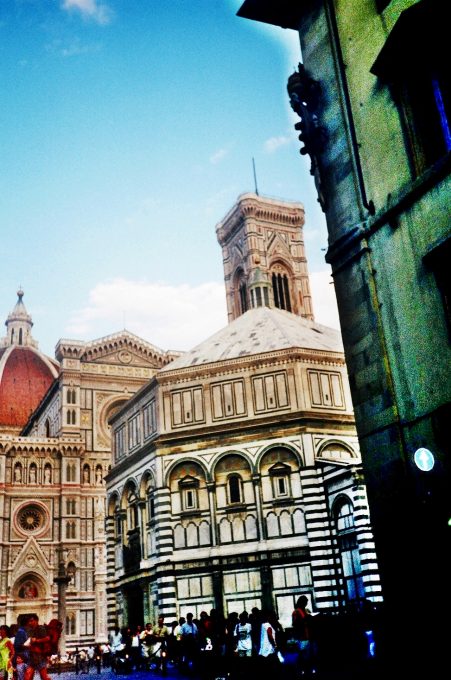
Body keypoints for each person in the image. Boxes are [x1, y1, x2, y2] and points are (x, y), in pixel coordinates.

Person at [292, 595, 316, 676]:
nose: (306, 603)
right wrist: (305, 620)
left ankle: (308, 669)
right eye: (305, 601)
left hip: (309, 636)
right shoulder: (296, 612)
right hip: (302, 637)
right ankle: (302, 670)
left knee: (309, 654)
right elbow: (295, 623)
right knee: (303, 654)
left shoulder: (306, 611)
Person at [24, 614, 51, 680]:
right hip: (32, 656)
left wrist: (37, 640)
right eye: (29, 621)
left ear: (36, 621)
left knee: (44, 677)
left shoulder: (41, 628)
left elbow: (47, 638)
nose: (30, 623)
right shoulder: (29, 630)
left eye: (31, 621)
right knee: (27, 676)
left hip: (40, 656)